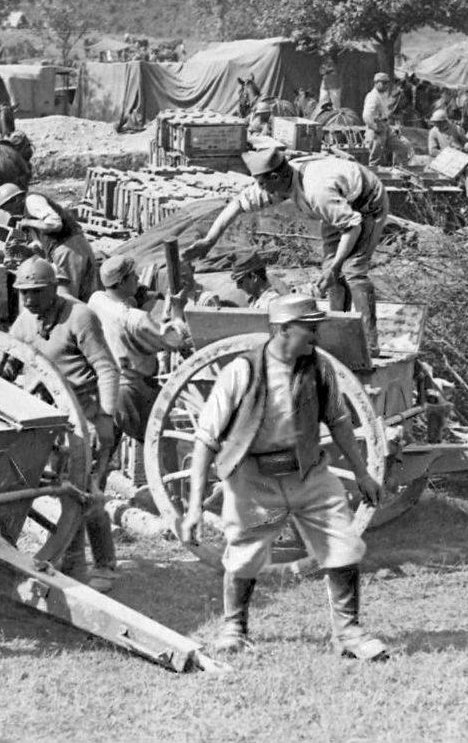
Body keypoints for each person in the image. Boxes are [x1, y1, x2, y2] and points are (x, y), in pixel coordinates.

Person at [179, 293, 388, 661]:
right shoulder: (241, 371)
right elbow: (206, 439)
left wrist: (362, 474)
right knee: (244, 552)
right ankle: (234, 628)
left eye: (316, 329)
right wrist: (195, 507)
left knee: (343, 544)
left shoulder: (320, 368)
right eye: (309, 329)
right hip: (252, 479)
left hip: (308, 474)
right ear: (282, 330)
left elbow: (339, 422)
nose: (315, 337)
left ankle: (349, 634)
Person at [183, 148, 389, 354]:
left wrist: (336, 267)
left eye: (262, 183)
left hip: (366, 201)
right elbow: (237, 205)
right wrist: (209, 240)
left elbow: (353, 227)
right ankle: (338, 335)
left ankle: (370, 343)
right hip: (340, 205)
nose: (260, 189)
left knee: (352, 270)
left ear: (275, 177)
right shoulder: (279, 183)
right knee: (330, 272)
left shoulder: (317, 192)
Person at [7, 257, 122, 590]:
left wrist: (105, 419)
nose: (29, 301)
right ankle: (70, 563)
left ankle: (104, 566)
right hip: (45, 421)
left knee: (87, 493)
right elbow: (9, 363)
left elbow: (106, 368)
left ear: (54, 288)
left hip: (84, 417)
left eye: (36, 293)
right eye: (23, 293)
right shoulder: (24, 322)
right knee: (62, 491)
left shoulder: (80, 317)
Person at [85, 255, 191, 586]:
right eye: (133, 278)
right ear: (125, 282)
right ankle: (177, 507)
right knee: (164, 441)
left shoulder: (97, 300)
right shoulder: (135, 320)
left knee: (103, 453)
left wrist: (146, 294)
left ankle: (92, 504)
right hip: (133, 389)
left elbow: (130, 295)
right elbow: (174, 338)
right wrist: (175, 311)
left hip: (105, 385)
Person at [0, 184, 100, 302]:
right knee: (85, 296)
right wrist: (24, 249)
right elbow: (41, 246)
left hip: (68, 247)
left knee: (68, 298)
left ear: (16, 199)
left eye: (6, 207)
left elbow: (55, 224)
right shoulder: (27, 212)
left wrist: (28, 222)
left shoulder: (32, 201)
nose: (8, 211)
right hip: (72, 246)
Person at [361, 72, 412, 168]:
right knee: (376, 157)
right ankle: (375, 175)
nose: (386, 85)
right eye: (383, 83)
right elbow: (367, 116)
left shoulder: (382, 95)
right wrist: (375, 128)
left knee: (403, 146)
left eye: (387, 83)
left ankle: (401, 169)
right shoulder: (373, 97)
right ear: (376, 83)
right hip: (376, 128)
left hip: (385, 126)